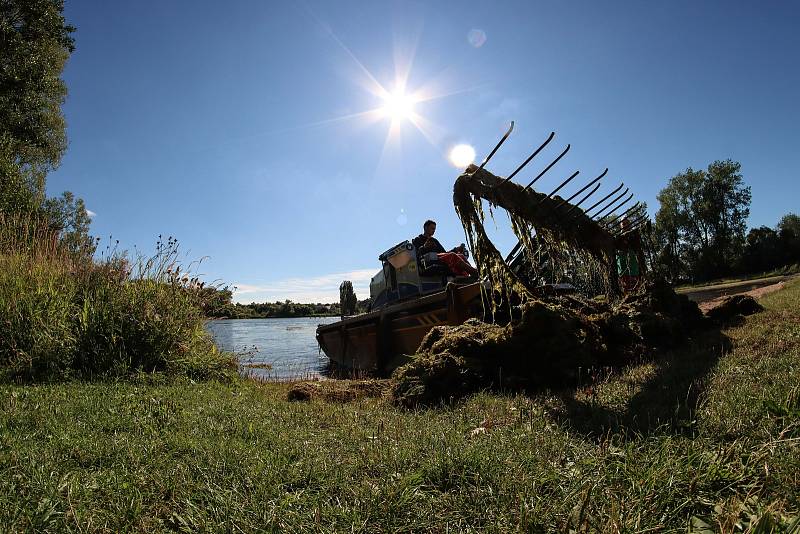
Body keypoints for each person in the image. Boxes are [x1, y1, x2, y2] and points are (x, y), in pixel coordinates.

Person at [412, 220, 478, 277]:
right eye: (432, 228)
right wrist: (424, 247)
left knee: (461, 256)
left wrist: (456, 249)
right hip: (428, 262)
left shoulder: (435, 241)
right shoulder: (418, 240)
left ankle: (469, 275)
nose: (433, 231)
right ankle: (475, 272)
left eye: (434, 229)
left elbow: (445, 253)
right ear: (425, 227)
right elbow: (416, 254)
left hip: (439, 259)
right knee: (452, 255)